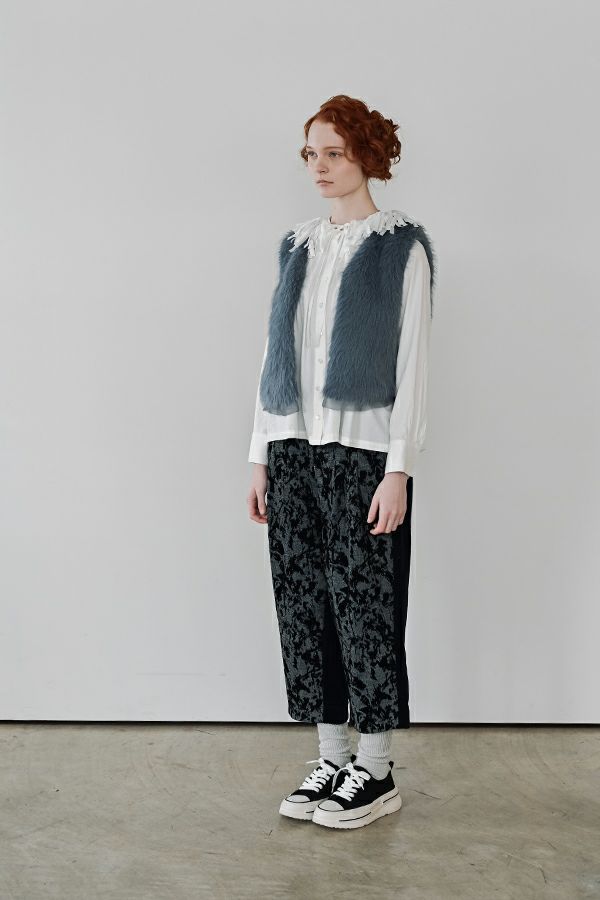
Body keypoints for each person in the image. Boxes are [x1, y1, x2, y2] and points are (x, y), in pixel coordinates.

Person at [246, 94, 436, 830]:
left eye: (334, 152)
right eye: (311, 154)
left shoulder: (400, 248)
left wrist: (399, 468)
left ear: (367, 155)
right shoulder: (297, 246)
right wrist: (260, 455)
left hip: (363, 453)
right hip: (293, 448)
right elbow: (276, 356)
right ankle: (331, 756)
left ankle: (377, 769)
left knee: (367, 609)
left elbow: (414, 366)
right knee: (305, 605)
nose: (319, 167)